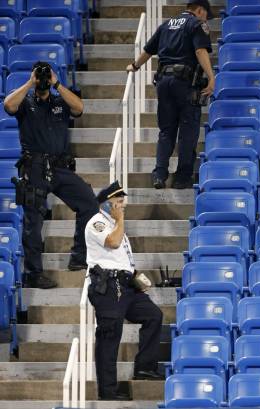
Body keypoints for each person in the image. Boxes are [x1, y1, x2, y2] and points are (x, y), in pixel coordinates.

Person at [4, 61, 99, 289]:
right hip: (34, 168)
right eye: (41, 75)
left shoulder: (60, 101)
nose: (44, 79)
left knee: (89, 202)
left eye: (45, 75)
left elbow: (79, 108)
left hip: (59, 168)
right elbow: (8, 105)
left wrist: (57, 83)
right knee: (33, 223)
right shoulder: (26, 103)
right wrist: (30, 82)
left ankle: (78, 258)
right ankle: (34, 273)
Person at [85, 181, 163, 401]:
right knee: (110, 337)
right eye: (118, 202)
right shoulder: (97, 222)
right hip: (109, 287)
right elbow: (112, 242)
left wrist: (137, 277)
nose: (123, 206)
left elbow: (123, 259)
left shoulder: (117, 224)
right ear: (107, 205)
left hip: (127, 286)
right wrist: (119, 220)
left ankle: (144, 368)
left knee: (153, 316)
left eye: (122, 202)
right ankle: (108, 391)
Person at [127, 0, 215, 189]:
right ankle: (182, 177)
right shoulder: (197, 24)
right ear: (200, 10)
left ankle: (159, 174)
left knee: (166, 131)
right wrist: (211, 77)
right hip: (184, 83)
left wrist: (134, 66)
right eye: (206, 14)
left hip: (164, 82)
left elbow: (148, 51)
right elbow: (200, 50)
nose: (206, 18)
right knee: (187, 132)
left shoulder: (166, 24)